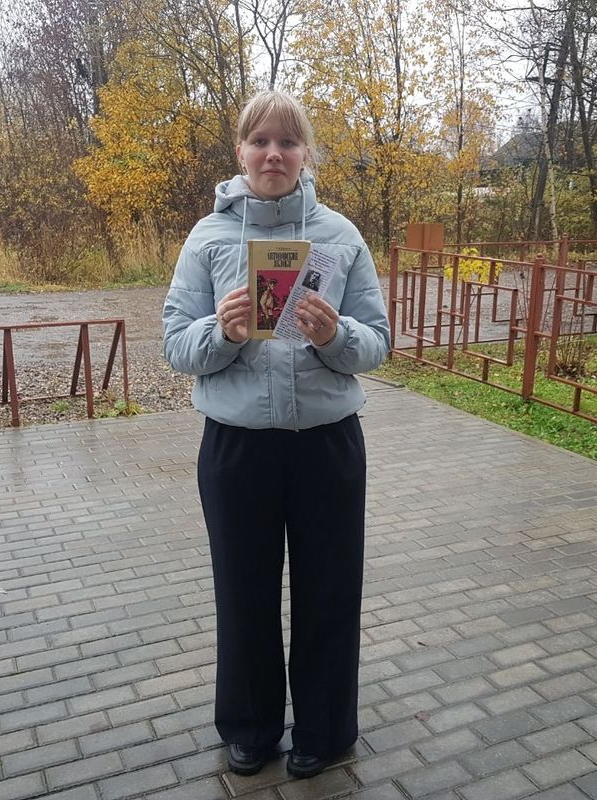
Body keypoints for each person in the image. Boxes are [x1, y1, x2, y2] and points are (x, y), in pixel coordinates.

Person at [162, 91, 390, 780]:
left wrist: (337, 336)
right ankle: (250, 727)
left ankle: (324, 730)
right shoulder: (207, 238)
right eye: (259, 141)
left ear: (305, 154)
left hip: (327, 445)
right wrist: (223, 332)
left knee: (329, 592)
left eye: (287, 142)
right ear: (240, 152)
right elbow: (175, 344)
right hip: (238, 449)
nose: (272, 154)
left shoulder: (340, 236)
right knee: (243, 593)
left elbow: (378, 342)